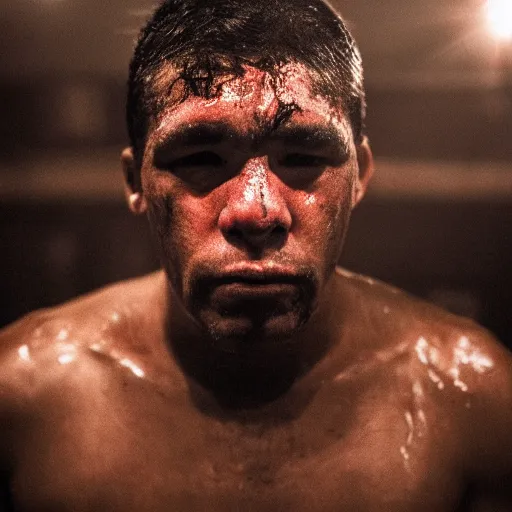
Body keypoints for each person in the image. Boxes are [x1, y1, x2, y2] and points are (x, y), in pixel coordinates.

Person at [1, 0, 511, 510]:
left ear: (359, 175)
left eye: (304, 157)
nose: (255, 211)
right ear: (136, 182)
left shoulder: (473, 398)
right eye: (201, 158)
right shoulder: (24, 394)